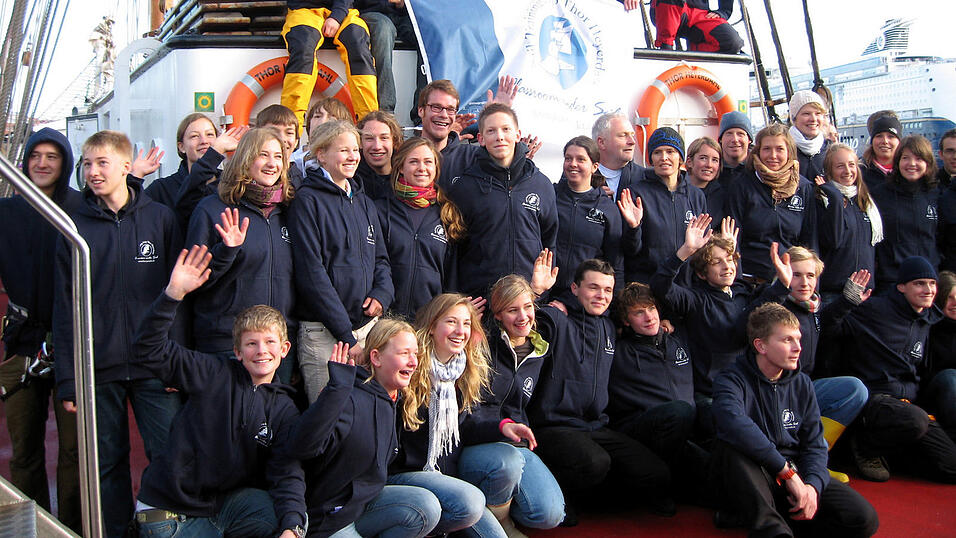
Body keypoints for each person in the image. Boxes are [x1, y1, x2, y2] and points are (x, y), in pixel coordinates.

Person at [53, 130, 183, 537]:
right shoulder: (73, 228)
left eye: (102, 163)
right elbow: (65, 307)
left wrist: (177, 364)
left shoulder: (160, 219)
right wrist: (67, 379)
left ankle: (168, 531)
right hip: (98, 366)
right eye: (87, 164)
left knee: (166, 455)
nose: (92, 172)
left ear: (127, 167)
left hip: (153, 366)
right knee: (107, 463)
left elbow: (180, 297)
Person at [131, 246, 307, 538]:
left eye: (269, 342)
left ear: (284, 349)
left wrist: (293, 528)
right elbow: (148, 350)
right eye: (251, 344)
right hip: (168, 512)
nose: (261, 351)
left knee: (271, 510)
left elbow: (286, 472)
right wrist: (173, 293)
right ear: (237, 351)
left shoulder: (284, 408)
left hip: (214, 508)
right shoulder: (212, 372)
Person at [711, 303, 879, 537]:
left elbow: (814, 443)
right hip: (757, 470)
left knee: (864, 519)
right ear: (761, 345)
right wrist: (786, 472)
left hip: (794, 471)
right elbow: (734, 424)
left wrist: (812, 487)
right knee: (731, 447)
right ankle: (773, 529)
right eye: (787, 340)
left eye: (798, 339)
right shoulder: (731, 380)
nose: (798, 348)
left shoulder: (802, 384)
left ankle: (760, 514)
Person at [529, 259, 672, 524]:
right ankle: (560, 494)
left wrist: (663, 329)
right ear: (574, 288)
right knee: (595, 463)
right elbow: (520, 322)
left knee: (655, 473)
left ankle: (593, 498)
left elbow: (640, 324)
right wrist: (536, 295)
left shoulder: (609, 327)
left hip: (595, 427)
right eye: (593, 288)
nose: (601, 295)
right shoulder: (556, 316)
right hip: (554, 425)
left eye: (607, 290)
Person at [287, 319, 443, 537]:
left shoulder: (396, 397)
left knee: (430, 506)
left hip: (368, 501)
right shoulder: (348, 396)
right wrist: (334, 393)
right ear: (376, 357)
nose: (413, 362)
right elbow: (301, 447)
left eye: (415, 354)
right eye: (404, 353)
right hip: (332, 516)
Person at [0, 128, 81, 532]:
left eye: (52, 156)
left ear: (65, 163)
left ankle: (69, 525)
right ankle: (29, 528)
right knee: (24, 448)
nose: (43, 163)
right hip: (23, 342)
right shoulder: (6, 212)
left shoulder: (79, 210)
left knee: (74, 449)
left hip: (71, 344)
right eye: (36, 156)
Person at [288, 120, 393, 401]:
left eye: (355, 150)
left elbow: (381, 259)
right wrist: (346, 336)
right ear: (321, 154)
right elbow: (312, 275)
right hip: (325, 336)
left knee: (369, 416)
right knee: (328, 421)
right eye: (343, 150)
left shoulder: (363, 202)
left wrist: (382, 293)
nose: (353, 157)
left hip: (367, 330)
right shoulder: (307, 202)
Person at [827, 256, 956, 483]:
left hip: (908, 407)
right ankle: (864, 448)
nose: (928, 289)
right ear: (901, 287)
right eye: (919, 283)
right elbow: (828, 328)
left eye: (932, 284)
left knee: (951, 466)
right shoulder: (875, 309)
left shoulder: (927, 319)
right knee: (915, 419)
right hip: (874, 400)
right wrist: (845, 302)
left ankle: (895, 456)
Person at [388, 294, 507, 538]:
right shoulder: (409, 368)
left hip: (445, 477)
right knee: (469, 502)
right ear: (432, 327)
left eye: (466, 323)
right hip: (404, 475)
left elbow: (465, 427)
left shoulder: (462, 372)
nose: (460, 330)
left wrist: (503, 427)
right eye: (451, 322)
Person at [183, 128, 297, 382]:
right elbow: (192, 282)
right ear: (245, 159)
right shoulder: (213, 209)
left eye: (278, 156)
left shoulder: (289, 210)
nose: (272, 163)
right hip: (226, 345)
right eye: (263, 155)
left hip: (277, 347)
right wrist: (226, 251)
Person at [457, 274, 565, 537]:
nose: (522, 316)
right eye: (512, 310)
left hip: (517, 444)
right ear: (497, 316)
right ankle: (499, 522)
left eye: (527, 307)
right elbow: (467, 415)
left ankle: (492, 503)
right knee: (506, 464)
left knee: (549, 515)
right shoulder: (481, 347)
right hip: (479, 443)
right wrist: (502, 426)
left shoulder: (539, 349)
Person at [754, 245, 871, 483]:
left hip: (803, 387)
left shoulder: (813, 307)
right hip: (770, 394)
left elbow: (823, 322)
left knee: (854, 389)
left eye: (810, 276)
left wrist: (847, 302)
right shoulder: (774, 307)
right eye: (796, 275)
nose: (805, 282)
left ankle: (813, 461)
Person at [606, 282, 711, 500]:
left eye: (651, 309)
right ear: (626, 321)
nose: (649, 317)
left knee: (712, 411)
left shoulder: (677, 339)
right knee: (679, 411)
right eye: (639, 312)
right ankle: (662, 487)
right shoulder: (619, 352)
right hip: (644, 429)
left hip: (685, 429)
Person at [445, 103, 557, 298]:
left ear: (517, 134)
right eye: (491, 131)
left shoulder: (541, 184)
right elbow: (453, 250)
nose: (499, 137)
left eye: (506, 129)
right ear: (480, 138)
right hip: (480, 301)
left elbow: (550, 242)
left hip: (530, 301)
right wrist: (458, 300)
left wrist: (544, 293)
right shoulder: (464, 188)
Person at [650, 215, 749, 426]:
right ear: (702, 274)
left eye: (730, 260)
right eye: (716, 262)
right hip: (711, 397)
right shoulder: (694, 300)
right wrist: (686, 251)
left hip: (745, 391)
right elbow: (661, 286)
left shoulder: (743, 294)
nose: (727, 266)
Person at [376, 138, 464, 318]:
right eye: (413, 161)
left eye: (428, 162)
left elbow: (451, 276)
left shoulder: (447, 214)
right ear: (400, 167)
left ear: (436, 168)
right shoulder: (379, 210)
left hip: (429, 320)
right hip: (385, 318)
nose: (422, 168)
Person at [726, 123, 817, 283]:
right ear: (758, 151)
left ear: (789, 151)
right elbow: (734, 239)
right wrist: (737, 282)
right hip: (752, 279)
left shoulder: (803, 188)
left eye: (779, 149)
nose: (773, 155)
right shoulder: (741, 186)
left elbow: (810, 240)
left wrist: (811, 284)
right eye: (767, 149)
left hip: (792, 282)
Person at [553, 135, 639, 293]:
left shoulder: (607, 208)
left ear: (595, 166)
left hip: (586, 298)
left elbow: (615, 263)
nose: (573, 164)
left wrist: (614, 307)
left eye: (581, 159)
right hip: (548, 293)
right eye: (568, 158)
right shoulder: (551, 196)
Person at [625, 127, 707, 284]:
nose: (664, 157)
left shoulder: (696, 196)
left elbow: (702, 245)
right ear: (651, 158)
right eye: (657, 152)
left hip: (685, 286)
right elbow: (630, 250)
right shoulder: (637, 193)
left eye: (670, 151)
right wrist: (633, 228)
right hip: (648, 284)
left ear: (680, 157)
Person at [280, 0, 377, 127]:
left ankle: (369, 127)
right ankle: (289, 130)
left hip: (345, 12)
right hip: (304, 10)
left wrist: (336, 17)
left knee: (358, 46)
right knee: (303, 50)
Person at [869, 135, 939, 292]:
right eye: (906, 158)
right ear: (898, 161)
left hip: (928, 282)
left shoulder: (936, 194)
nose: (912, 164)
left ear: (928, 163)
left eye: (919, 158)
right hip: (893, 281)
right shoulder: (880, 195)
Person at [816, 143, 881, 302]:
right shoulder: (822, 200)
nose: (847, 171)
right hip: (835, 291)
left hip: (865, 291)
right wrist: (835, 197)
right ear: (829, 170)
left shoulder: (865, 202)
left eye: (851, 165)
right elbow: (833, 240)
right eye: (840, 166)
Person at [354, 0, 417, 115]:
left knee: (429, 36)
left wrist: (403, 4)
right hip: (371, 14)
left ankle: (423, 113)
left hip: (406, 16)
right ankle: (386, 110)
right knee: (384, 29)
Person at [144, 113, 218, 209]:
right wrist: (136, 176)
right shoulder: (162, 189)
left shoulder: (230, 184)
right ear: (181, 147)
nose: (204, 141)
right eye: (194, 136)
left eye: (209, 134)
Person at [622, 0, 743, 53]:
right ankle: (666, 50)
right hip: (666, 9)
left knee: (732, 42)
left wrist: (724, 11)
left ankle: (695, 54)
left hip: (700, 14)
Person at [289, 97, 354, 184]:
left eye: (331, 118)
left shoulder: (350, 168)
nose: (323, 122)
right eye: (317, 116)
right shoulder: (289, 160)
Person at [927, 270, 956, 442]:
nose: (955, 303)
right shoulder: (928, 328)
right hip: (937, 393)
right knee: (950, 378)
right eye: (950, 297)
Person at [592, 112, 643, 201]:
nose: (632, 142)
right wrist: (586, 199)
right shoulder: (578, 178)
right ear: (601, 142)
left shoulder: (645, 179)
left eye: (632, 135)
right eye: (623, 135)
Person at [356, 110, 403, 200]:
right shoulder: (352, 182)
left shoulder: (408, 178)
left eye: (384, 138)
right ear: (360, 143)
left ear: (394, 141)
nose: (377, 146)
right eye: (369, 138)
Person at [788, 90, 831, 183]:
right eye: (806, 114)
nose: (813, 119)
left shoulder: (830, 150)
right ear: (794, 118)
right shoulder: (784, 149)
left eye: (818, 113)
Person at [257, 104, 304, 188]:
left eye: (289, 133)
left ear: (296, 141)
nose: (282, 139)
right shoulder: (240, 179)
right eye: (273, 132)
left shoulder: (302, 185)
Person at [685, 136, 725, 223]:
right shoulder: (677, 191)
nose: (709, 165)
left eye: (715, 160)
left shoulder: (722, 197)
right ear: (689, 162)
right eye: (703, 158)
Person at [859, 111, 902, 190]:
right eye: (879, 136)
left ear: (899, 141)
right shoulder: (859, 172)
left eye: (891, 136)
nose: (885, 141)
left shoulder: (907, 170)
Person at [717, 111, 753, 186]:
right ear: (721, 139)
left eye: (740, 134)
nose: (735, 139)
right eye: (729, 134)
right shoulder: (711, 170)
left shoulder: (760, 171)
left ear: (749, 139)